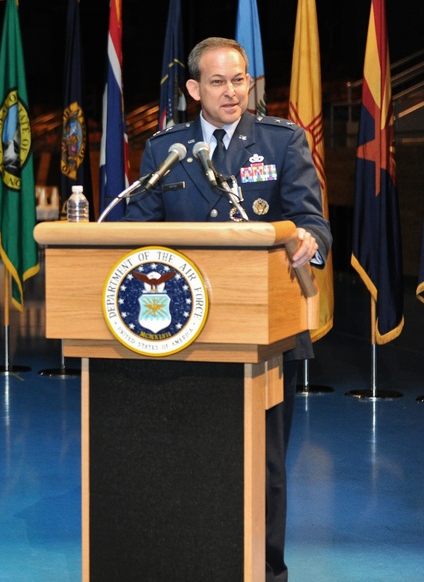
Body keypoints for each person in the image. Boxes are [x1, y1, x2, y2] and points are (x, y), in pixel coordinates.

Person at [124, 37, 331, 582]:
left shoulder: (282, 142)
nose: (233, 92)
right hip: (182, 334)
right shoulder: (164, 149)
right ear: (194, 90)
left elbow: (312, 223)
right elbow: (137, 237)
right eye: (218, 82)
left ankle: (265, 571)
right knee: (186, 459)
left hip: (266, 332)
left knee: (264, 466)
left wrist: (310, 241)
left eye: (240, 80)